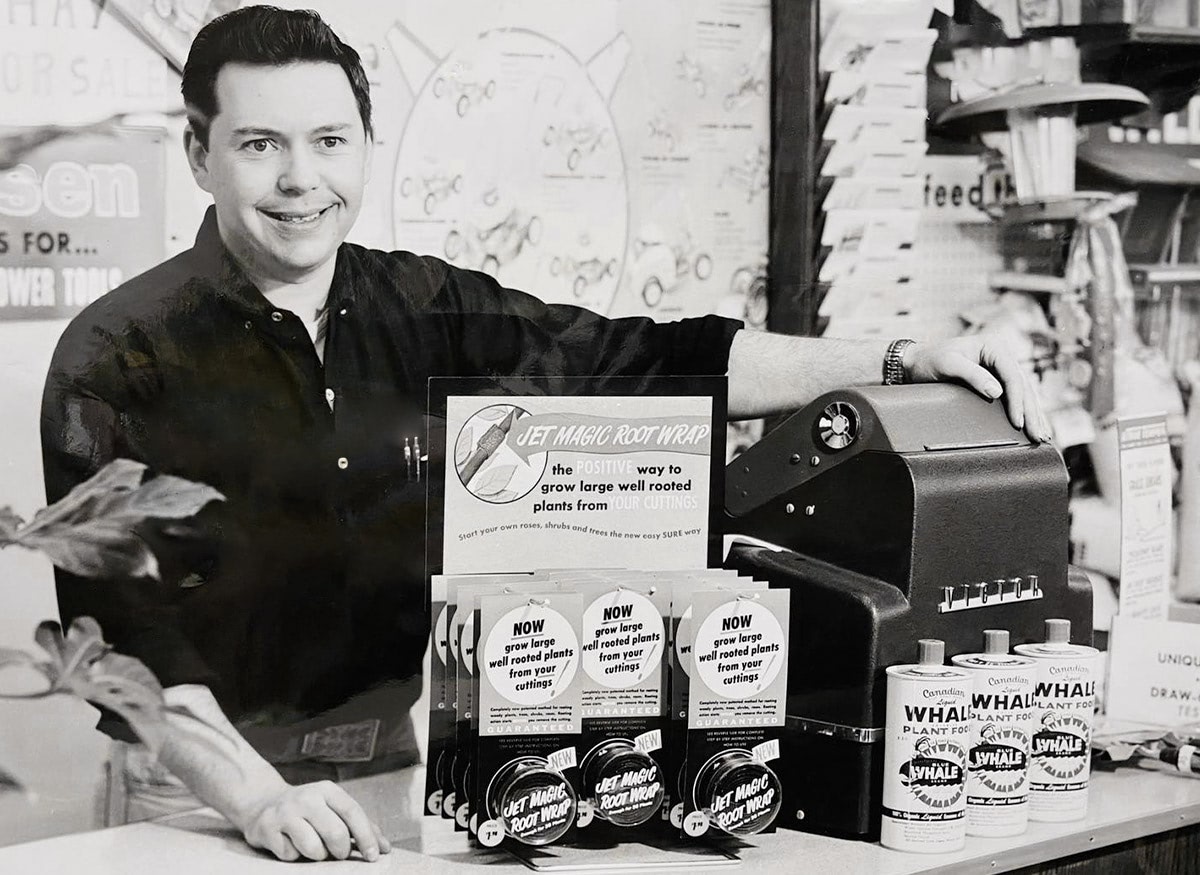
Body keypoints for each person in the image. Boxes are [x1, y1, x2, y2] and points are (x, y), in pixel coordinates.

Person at [40, 5, 1050, 864]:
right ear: (199, 152)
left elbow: (649, 356)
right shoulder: (112, 356)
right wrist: (261, 801)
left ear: (362, 146)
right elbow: (123, 640)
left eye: (330, 140)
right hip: (205, 795)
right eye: (261, 144)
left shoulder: (429, 306)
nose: (301, 178)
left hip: (402, 765)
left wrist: (903, 354)